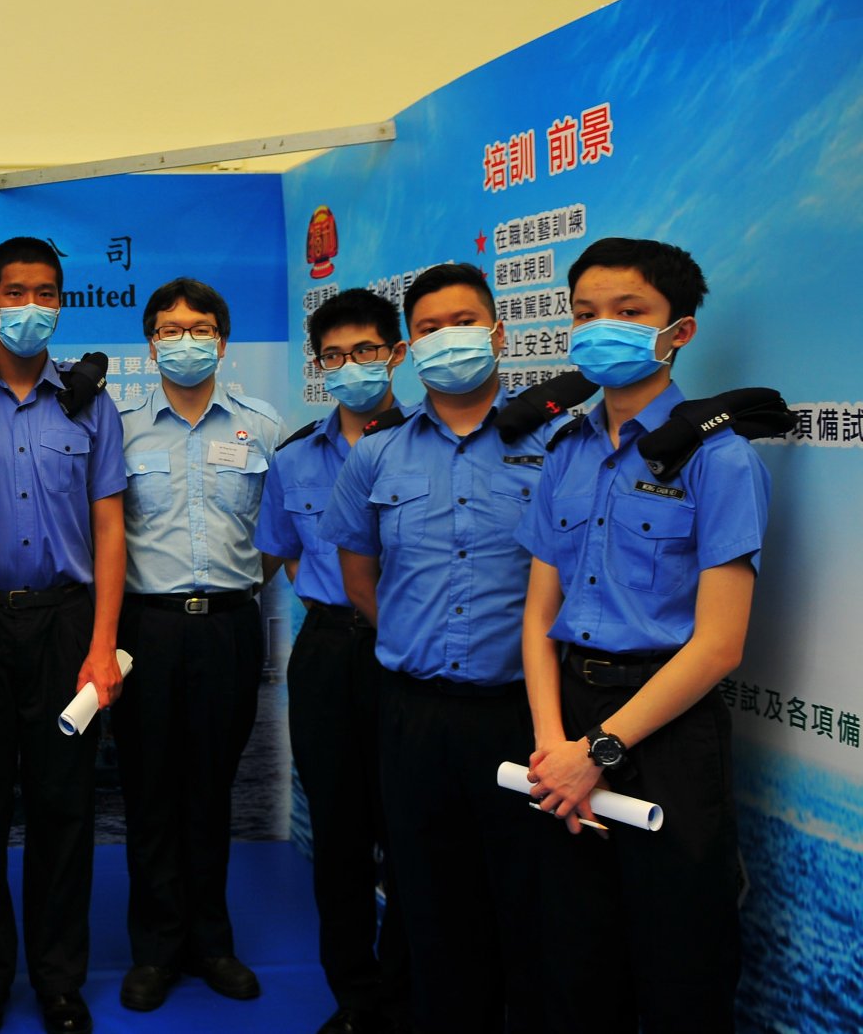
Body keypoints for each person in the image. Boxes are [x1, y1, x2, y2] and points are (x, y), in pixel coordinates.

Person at [519, 239, 770, 1033]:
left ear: (679, 331)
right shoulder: (565, 450)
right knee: (573, 955)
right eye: (586, 312)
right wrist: (553, 744)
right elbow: (538, 614)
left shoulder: (720, 460)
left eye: (629, 312)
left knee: (680, 964)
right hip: (567, 713)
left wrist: (596, 752)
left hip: (666, 724)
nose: (603, 327)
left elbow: (720, 644)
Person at [322, 263, 550, 1034]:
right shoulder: (378, 453)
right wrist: (414, 638)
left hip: (522, 713)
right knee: (427, 899)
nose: (448, 338)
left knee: (527, 901)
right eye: (429, 327)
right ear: (408, 348)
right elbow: (359, 575)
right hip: (412, 713)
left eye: (464, 321)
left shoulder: (556, 442)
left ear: (498, 333)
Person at [0, 238, 127, 1034]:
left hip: (65, 624)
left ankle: (58, 980)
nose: (30, 307)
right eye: (15, 292)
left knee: (63, 805)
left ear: (61, 303)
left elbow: (109, 528)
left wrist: (102, 643)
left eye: (45, 292)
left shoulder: (91, 407)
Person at [113, 277, 284, 1013]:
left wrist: (232, 590)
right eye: (170, 329)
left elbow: (276, 536)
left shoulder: (263, 426)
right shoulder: (119, 429)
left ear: (223, 339)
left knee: (212, 788)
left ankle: (212, 943)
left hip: (228, 626)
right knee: (150, 789)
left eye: (201, 328)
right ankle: (155, 950)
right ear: (151, 344)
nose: (186, 341)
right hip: (144, 628)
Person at [255, 289, 412, 1034]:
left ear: (396, 354)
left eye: (366, 351)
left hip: (410, 654)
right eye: (335, 356)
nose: (352, 366)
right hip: (326, 651)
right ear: (319, 366)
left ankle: (409, 992)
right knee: (340, 835)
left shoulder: (430, 445)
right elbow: (287, 556)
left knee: (413, 829)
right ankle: (355, 998)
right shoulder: (293, 459)